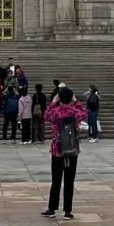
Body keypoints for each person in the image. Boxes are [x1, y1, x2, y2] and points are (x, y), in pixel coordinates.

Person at [41, 85, 88, 219]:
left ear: (60, 98)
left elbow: (46, 115)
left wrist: (53, 102)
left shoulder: (55, 112)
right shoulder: (75, 111)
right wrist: (76, 101)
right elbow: (84, 113)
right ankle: (67, 211)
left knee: (56, 180)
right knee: (69, 181)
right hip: (72, 149)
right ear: (71, 98)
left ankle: (52, 208)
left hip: (58, 149)